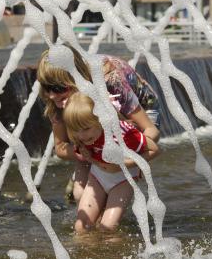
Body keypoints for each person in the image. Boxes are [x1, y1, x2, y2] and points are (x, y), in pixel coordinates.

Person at [37, 45, 160, 204]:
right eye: (47, 87)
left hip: (139, 110)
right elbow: (60, 147)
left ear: (76, 78)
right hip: (94, 125)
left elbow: (151, 130)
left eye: (58, 88)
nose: (52, 95)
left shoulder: (110, 80)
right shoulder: (54, 99)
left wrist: (125, 163)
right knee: (80, 195)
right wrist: (88, 154)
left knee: (112, 180)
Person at [62, 92, 159, 232]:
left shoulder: (122, 133)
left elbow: (155, 150)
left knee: (107, 228)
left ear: (101, 120)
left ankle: (116, 253)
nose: (82, 135)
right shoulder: (80, 136)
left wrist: (122, 165)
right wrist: (88, 156)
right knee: (81, 227)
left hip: (123, 179)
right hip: (98, 177)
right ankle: (89, 253)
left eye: (86, 129)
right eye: (76, 130)